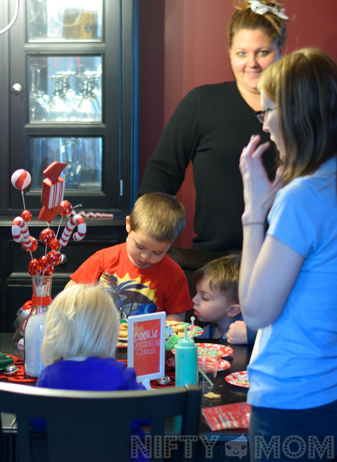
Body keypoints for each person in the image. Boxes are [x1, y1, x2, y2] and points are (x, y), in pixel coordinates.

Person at [239, 48, 337, 460]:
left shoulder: (303, 197)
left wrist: (253, 214)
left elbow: (257, 312)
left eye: (267, 113)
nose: (265, 127)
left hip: (292, 398)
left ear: (294, 114)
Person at [138, 0, 288, 252]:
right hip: (213, 262)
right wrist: (146, 240)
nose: (251, 63)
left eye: (262, 52)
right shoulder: (201, 103)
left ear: (280, 50)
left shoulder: (301, 108)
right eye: (241, 53)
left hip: (287, 256)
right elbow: (160, 176)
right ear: (229, 53)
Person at [36, 284, 147, 461]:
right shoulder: (118, 373)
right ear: (107, 333)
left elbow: (38, 422)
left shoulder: (49, 376)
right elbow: (149, 413)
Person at [66, 192, 190, 321]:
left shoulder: (174, 274)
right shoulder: (103, 259)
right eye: (140, 247)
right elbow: (71, 290)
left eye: (157, 253)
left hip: (147, 340)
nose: (145, 256)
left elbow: (177, 315)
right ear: (128, 224)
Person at [192, 254, 255, 344]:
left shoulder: (244, 333)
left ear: (233, 310)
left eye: (205, 298)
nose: (194, 300)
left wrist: (250, 335)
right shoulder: (204, 333)